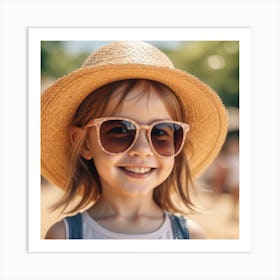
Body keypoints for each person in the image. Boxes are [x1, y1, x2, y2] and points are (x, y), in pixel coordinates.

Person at [42, 41, 228, 239]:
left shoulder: (191, 237)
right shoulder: (64, 236)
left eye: (160, 133)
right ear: (85, 143)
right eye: (120, 130)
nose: (142, 149)